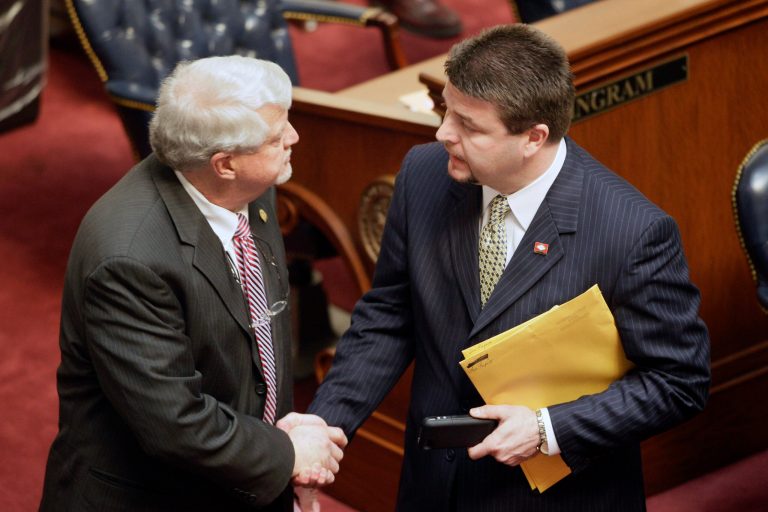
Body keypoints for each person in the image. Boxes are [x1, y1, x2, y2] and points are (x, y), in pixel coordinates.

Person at [308, 24, 710, 511]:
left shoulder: (632, 231)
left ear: (532, 138)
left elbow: (678, 381)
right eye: (446, 112)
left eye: (469, 127)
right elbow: (390, 314)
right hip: (434, 487)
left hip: (557, 497)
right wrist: (324, 423)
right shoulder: (422, 174)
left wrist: (548, 428)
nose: (443, 135)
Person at [39, 55, 346, 512]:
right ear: (224, 163)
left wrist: (283, 468)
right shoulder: (129, 259)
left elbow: (259, 336)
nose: (293, 137)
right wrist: (287, 456)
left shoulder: (250, 187)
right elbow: (175, 423)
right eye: (277, 134)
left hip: (232, 477)